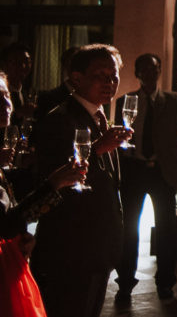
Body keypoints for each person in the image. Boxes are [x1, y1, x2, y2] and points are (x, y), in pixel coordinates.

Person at [30, 44, 132, 317]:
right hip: (72, 249)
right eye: (102, 75)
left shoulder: (98, 115)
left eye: (114, 76)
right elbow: (54, 178)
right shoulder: (61, 119)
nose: (111, 83)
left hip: (98, 247)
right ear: (77, 79)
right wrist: (99, 147)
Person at [0, 72, 87, 317]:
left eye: (7, 96)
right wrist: (53, 184)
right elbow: (3, 225)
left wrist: (21, 235)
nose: (7, 104)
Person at [114, 53, 177, 305]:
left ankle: (165, 283)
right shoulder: (125, 101)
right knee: (129, 228)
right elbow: (119, 135)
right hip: (135, 169)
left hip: (163, 171)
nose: (150, 74)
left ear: (160, 71)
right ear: (138, 73)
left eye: (154, 69)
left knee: (166, 228)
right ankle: (125, 282)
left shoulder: (171, 100)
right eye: (145, 70)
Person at [34, 46, 79, 119]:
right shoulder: (47, 98)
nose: (78, 70)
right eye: (73, 65)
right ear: (65, 67)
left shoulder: (90, 97)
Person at [1, 43, 34, 127]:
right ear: (4, 65)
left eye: (27, 62)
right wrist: (17, 114)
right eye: (17, 62)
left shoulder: (26, 92)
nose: (23, 66)